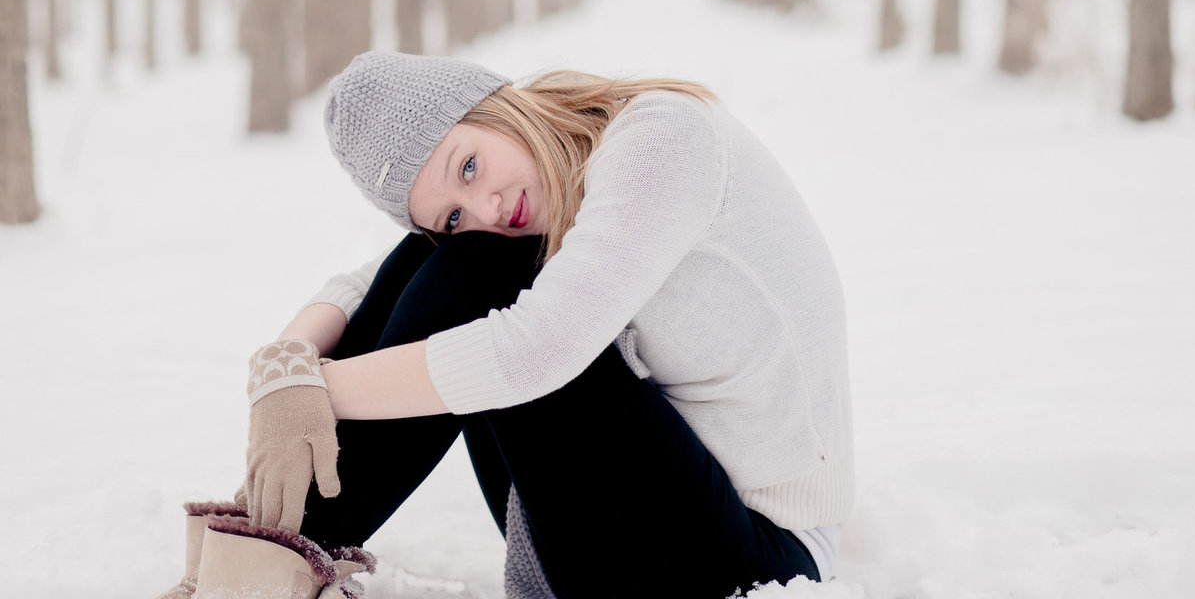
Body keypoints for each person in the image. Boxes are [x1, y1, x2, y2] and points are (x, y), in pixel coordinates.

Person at [160, 51, 854, 599]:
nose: (485, 206)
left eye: (468, 165)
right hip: (645, 520)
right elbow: (360, 287)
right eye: (453, 211)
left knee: (477, 274)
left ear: (497, 106)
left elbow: (536, 352)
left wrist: (318, 390)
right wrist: (280, 369)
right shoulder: (541, 189)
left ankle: (269, 562)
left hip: (757, 563)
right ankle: (267, 552)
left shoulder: (663, 138)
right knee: (448, 262)